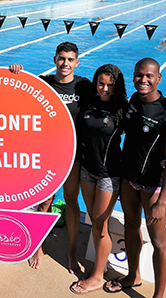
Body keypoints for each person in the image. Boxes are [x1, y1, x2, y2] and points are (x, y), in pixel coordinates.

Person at [104, 58, 166, 298]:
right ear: (134, 76)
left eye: (149, 76)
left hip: (154, 187)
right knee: (130, 226)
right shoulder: (133, 103)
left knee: (159, 241)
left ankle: (158, 296)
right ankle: (132, 276)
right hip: (129, 179)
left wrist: (162, 200)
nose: (144, 80)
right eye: (139, 75)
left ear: (158, 78)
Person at [10, 41, 91, 273]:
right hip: (47, 152)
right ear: (54, 59)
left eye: (70, 59)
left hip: (74, 154)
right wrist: (16, 72)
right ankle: (39, 245)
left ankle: (72, 248)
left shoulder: (84, 86)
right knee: (44, 201)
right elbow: (15, 94)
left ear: (77, 62)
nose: (65, 63)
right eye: (61, 58)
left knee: (72, 200)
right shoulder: (43, 83)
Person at [70, 64, 127, 294]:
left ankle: (96, 276)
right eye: (101, 83)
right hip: (87, 170)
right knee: (94, 218)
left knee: (101, 224)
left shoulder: (122, 109)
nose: (104, 88)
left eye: (109, 85)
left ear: (116, 87)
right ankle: (98, 268)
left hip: (108, 174)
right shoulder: (90, 102)